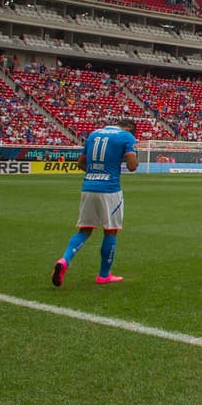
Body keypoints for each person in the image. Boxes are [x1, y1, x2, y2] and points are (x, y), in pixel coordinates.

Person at [51, 117, 138, 287]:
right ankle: (104, 275)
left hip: (88, 186)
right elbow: (132, 166)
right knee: (111, 231)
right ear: (128, 127)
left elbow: (81, 163)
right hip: (110, 189)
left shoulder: (93, 134)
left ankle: (65, 259)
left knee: (84, 230)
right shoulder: (127, 136)